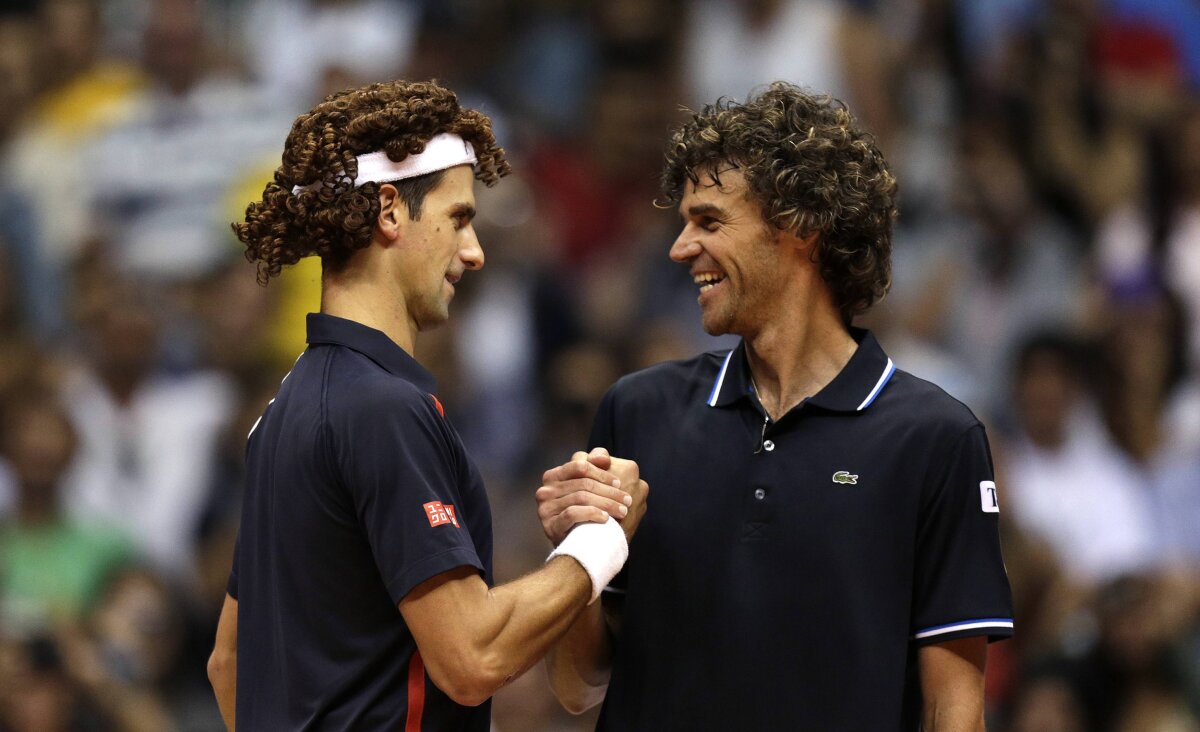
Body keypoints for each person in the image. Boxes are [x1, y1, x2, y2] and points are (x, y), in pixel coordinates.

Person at [537, 83, 1014, 730]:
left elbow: (951, 709)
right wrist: (575, 553)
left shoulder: (935, 439)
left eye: (708, 221)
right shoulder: (637, 411)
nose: (680, 248)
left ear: (800, 227)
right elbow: (578, 685)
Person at [206, 79, 648, 731]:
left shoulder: (283, 408)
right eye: (460, 219)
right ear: (390, 211)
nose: (473, 252)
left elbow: (229, 660)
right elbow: (472, 655)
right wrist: (599, 539)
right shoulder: (381, 408)